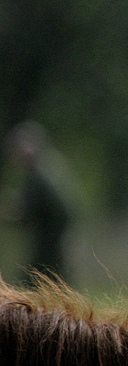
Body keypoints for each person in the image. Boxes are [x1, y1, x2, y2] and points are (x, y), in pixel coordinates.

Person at [2, 121, 73, 284]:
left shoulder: (38, 176)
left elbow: (30, 213)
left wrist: (11, 212)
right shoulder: (50, 167)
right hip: (54, 240)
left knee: (32, 285)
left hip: (49, 242)